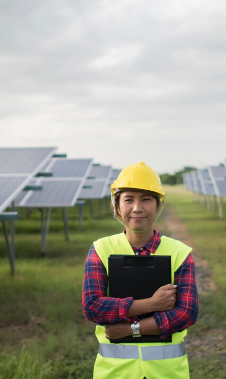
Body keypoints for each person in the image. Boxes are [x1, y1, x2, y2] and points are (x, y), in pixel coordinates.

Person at [82, 162, 199, 379]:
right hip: (114, 373)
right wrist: (151, 305)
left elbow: (185, 314)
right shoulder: (100, 249)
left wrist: (130, 329)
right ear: (116, 206)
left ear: (158, 205)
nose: (137, 208)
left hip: (167, 372)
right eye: (128, 199)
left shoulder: (179, 253)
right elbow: (93, 307)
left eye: (146, 199)